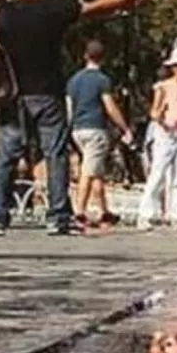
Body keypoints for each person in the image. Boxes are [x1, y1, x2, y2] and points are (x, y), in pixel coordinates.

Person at [0, 0, 152, 236]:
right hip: (48, 91)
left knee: (5, 154)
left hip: (11, 95)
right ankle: (57, 216)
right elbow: (94, 9)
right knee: (55, 154)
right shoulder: (52, 9)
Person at [66, 39, 133, 230]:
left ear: (85, 56)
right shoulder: (102, 80)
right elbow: (109, 106)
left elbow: (69, 107)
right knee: (88, 172)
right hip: (95, 128)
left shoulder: (74, 80)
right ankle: (79, 211)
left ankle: (105, 211)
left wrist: (69, 130)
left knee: (96, 172)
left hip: (78, 130)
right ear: (103, 58)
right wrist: (124, 127)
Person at [138, 45, 177, 228]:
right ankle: (146, 213)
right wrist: (163, 120)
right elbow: (155, 112)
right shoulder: (164, 87)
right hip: (166, 133)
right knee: (158, 172)